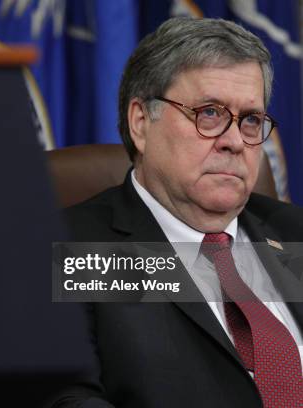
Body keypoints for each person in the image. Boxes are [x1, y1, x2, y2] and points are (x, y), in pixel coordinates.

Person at [53, 17, 303, 407]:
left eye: (251, 120)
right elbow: (65, 399)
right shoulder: (78, 251)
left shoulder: (293, 232)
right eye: (209, 113)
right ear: (141, 123)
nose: (235, 141)